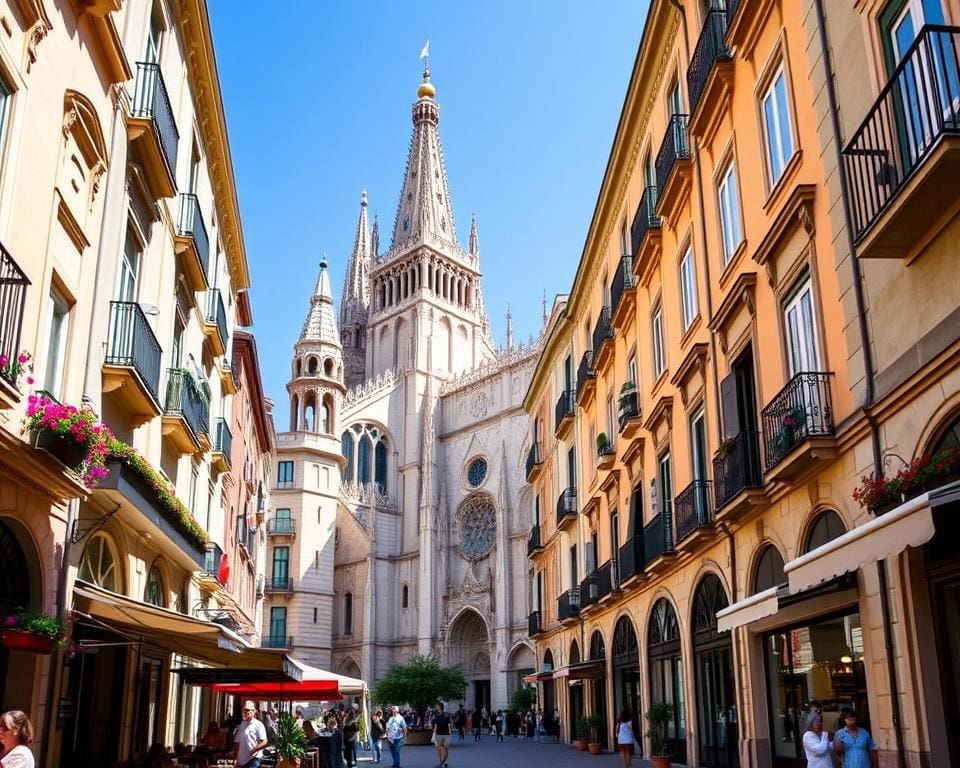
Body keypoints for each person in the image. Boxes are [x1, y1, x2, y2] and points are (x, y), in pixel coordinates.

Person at [233, 701, 269, 768]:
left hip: (254, 759)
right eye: (246, 710)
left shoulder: (258, 725)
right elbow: (237, 742)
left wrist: (254, 749)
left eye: (250, 710)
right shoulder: (242, 725)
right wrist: (235, 758)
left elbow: (265, 741)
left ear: (254, 711)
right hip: (243, 760)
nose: (248, 712)